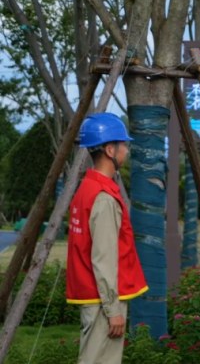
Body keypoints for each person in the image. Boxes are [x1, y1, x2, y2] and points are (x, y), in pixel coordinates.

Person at [66, 113, 148, 364]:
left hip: (95, 297)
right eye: (124, 145)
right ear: (110, 150)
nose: (127, 150)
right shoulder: (103, 197)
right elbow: (103, 258)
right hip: (103, 300)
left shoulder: (87, 189)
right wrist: (113, 311)